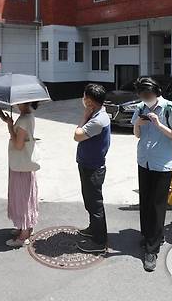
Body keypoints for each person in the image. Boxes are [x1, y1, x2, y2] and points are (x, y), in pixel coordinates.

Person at [131, 77, 172, 272]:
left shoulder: (168, 107)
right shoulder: (140, 107)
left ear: (156, 92)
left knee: (157, 204)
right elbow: (136, 134)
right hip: (144, 160)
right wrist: (139, 125)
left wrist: (158, 124)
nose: (145, 98)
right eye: (142, 95)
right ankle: (148, 235)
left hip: (162, 163)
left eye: (148, 94)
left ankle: (152, 249)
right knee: (145, 200)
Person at [73, 83, 111, 254]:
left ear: (90, 101)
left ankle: (99, 241)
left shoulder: (97, 119)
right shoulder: (96, 114)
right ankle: (93, 229)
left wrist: (83, 116)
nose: (83, 99)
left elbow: (77, 136)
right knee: (90, 202)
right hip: (88, 165)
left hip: (93, 168)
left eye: (85, 97)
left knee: (95, 205)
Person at [0, 101, 41, 247]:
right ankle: (26, 227)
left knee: (21, 197)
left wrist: (10, 127)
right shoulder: (29, 116)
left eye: (19, 103)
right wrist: (10, 123)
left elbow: (18, 145)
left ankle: (23, 236)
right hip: (25, 163)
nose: (17, 105)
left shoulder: (23, 120)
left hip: (20, 165)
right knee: (27, 195)